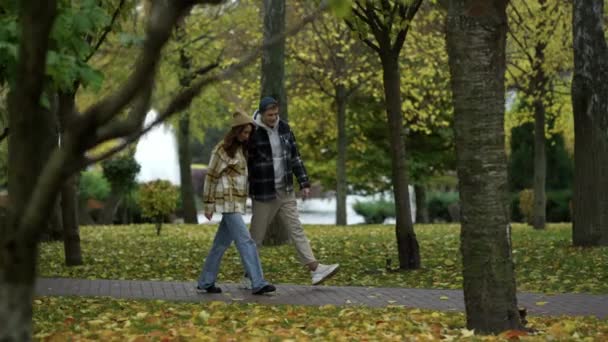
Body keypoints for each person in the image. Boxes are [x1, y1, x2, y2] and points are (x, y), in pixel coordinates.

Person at [246, 96, 339, 286]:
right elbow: (245, 162)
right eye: (270, 115)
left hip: (286, 190)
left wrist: (304, 182)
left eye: (276, 114)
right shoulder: (252, 132)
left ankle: (315, 269)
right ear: (262, 114)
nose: (274, 118)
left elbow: (295, 157)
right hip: (264, 192)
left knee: (296, 228)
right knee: (256, 236)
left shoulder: (285, 128)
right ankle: (249, 276)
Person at [197, 110, 276, 295]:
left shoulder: (242, 149)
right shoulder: (221, 150)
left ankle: (206, 282)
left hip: (236, 203)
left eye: (249, 133)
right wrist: (208, 205)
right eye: (244, 132)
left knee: (220, 244)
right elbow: (211, 176)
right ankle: (258, 282)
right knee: (246, 241)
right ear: (236, 131)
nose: (247, 136)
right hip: (228, 202)